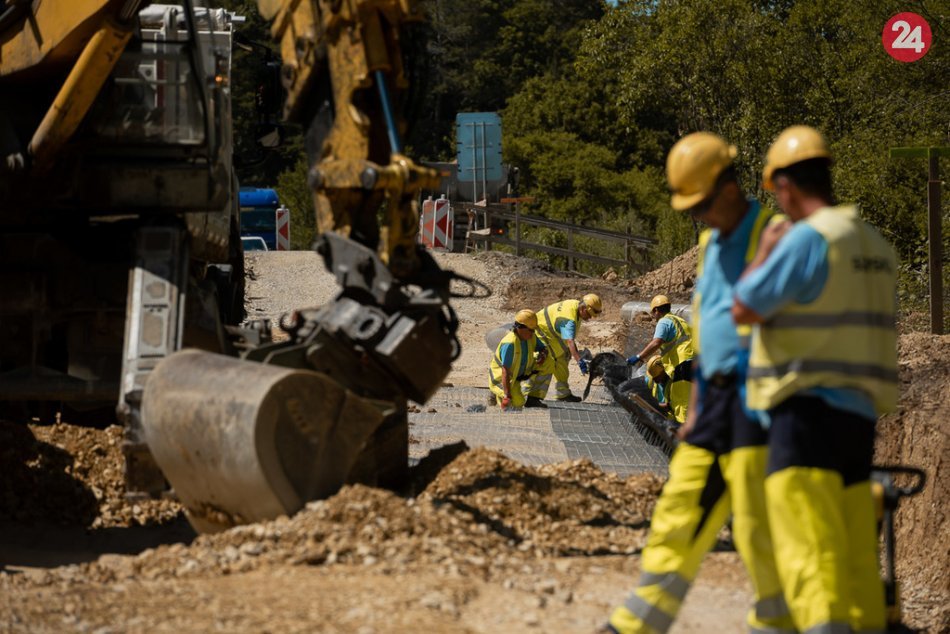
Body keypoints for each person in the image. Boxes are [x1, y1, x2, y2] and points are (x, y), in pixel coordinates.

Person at [608, 132, 792, 634]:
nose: (697, 216)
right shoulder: (711, 242)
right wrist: (700, 408)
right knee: (678, 509)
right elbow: (714, 331)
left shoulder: (778, 240)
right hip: (715, 404)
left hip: (762, 404)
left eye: (701, 205)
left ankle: (780, 623)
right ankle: (636, 624)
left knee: (758, 530)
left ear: (730, 187)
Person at [732, 125, 897, 634]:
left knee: (808, 553)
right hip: (859, 420)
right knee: (852, 558)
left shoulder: (808, 239)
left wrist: (764, 251)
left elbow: (745, 307)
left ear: (785, 185)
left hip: (803, 417)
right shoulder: (874, 245)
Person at [525, 293, 602, 403]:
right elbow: (569, 341)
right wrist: (579, 361)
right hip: (541, 334)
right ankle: (528, 395)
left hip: (552, 335)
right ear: (584, 308)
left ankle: (563, 394)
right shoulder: (568, 319)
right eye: (589, 315)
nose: (589, 318)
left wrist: (574, 352)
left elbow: (569, 338)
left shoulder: (575, 306)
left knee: (562, 359)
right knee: (545, 362)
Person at [488, 309, 548, 410]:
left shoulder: (530, 337)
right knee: (514, 405)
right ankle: (497, 393)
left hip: (515, 376)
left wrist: (543, 355)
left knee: (549, 361)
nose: (533, 333)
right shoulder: (510, 344)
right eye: (531, 330)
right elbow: (505, 371)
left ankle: (532, 396)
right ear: (520, 328)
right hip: (500, 379)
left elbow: (544, 348)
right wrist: (507, 396)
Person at [627, 295, 695, 382]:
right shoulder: (680, 320)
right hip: (694, 361)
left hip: (681, 363)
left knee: (680, 393)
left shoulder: (663, 322)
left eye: (653, 313)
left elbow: (656, 343)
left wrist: (639, 357)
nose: (653, 317)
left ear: (656, 310)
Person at [644, 355, 689, 425]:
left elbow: (674, 406)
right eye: (653, 377)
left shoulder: (675, 383)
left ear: (664, 371)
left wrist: (655, 405)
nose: (654, 380)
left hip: (669, 421)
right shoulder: (650, 379)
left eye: (656, 377)